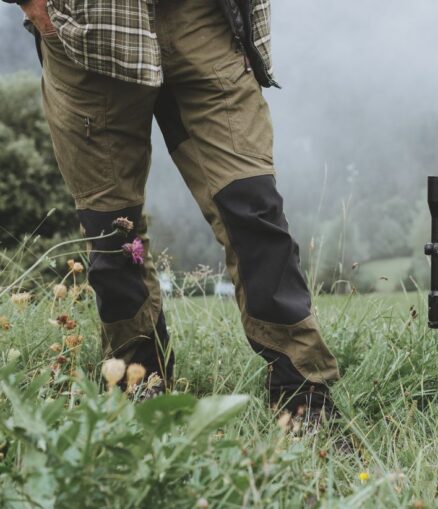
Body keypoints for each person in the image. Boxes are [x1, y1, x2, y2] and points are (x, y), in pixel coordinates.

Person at [5, 0, 341, 421]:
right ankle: (139, 391)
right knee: (114, 236)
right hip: (88, 27)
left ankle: (303, 396)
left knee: (252, 208)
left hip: (203, 21)